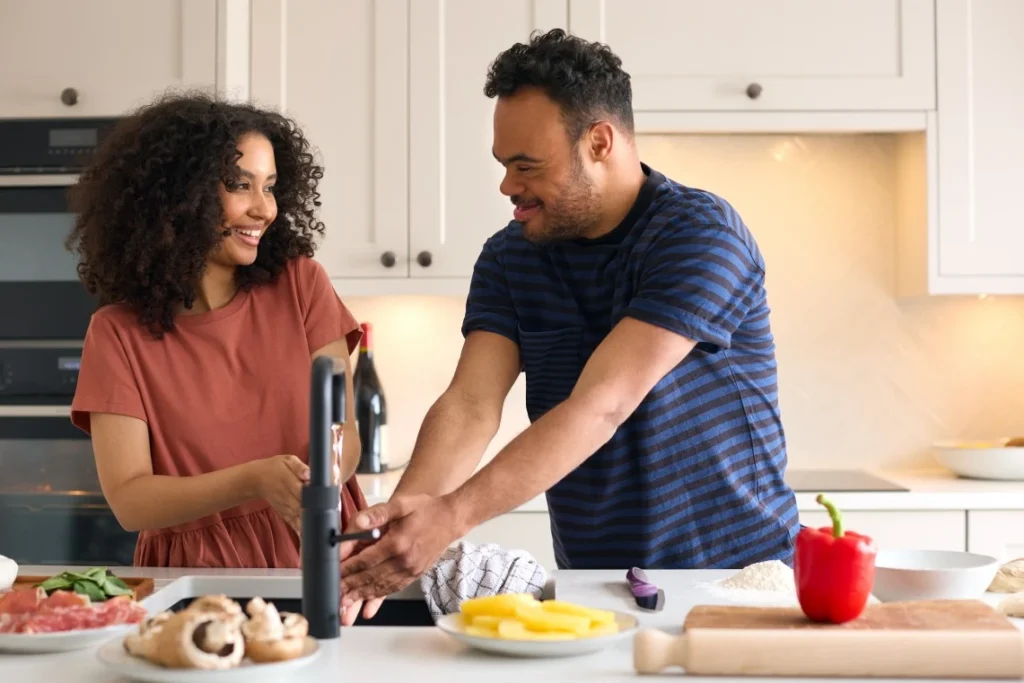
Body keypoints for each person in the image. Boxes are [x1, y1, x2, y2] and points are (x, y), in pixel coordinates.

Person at [338, 29, 799, 607]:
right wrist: (396, 530)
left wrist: (449, 518)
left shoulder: (698, 234)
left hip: (736, 576)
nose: (508, 186)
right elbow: (471, 404)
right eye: (504, 165)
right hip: (597, 581)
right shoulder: (511, 256)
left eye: (526, 166)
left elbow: (602, 404)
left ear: (600, 142)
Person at [66, 91, 380, 624]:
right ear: (177, 197)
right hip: (196, 581)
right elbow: (130, 500)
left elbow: (343, 435)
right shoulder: (117, 333)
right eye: (240, 186)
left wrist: (317, 485)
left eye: (271, 187)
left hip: (324, 557)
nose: (264, 209)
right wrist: (255, 480)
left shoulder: (301, 285)